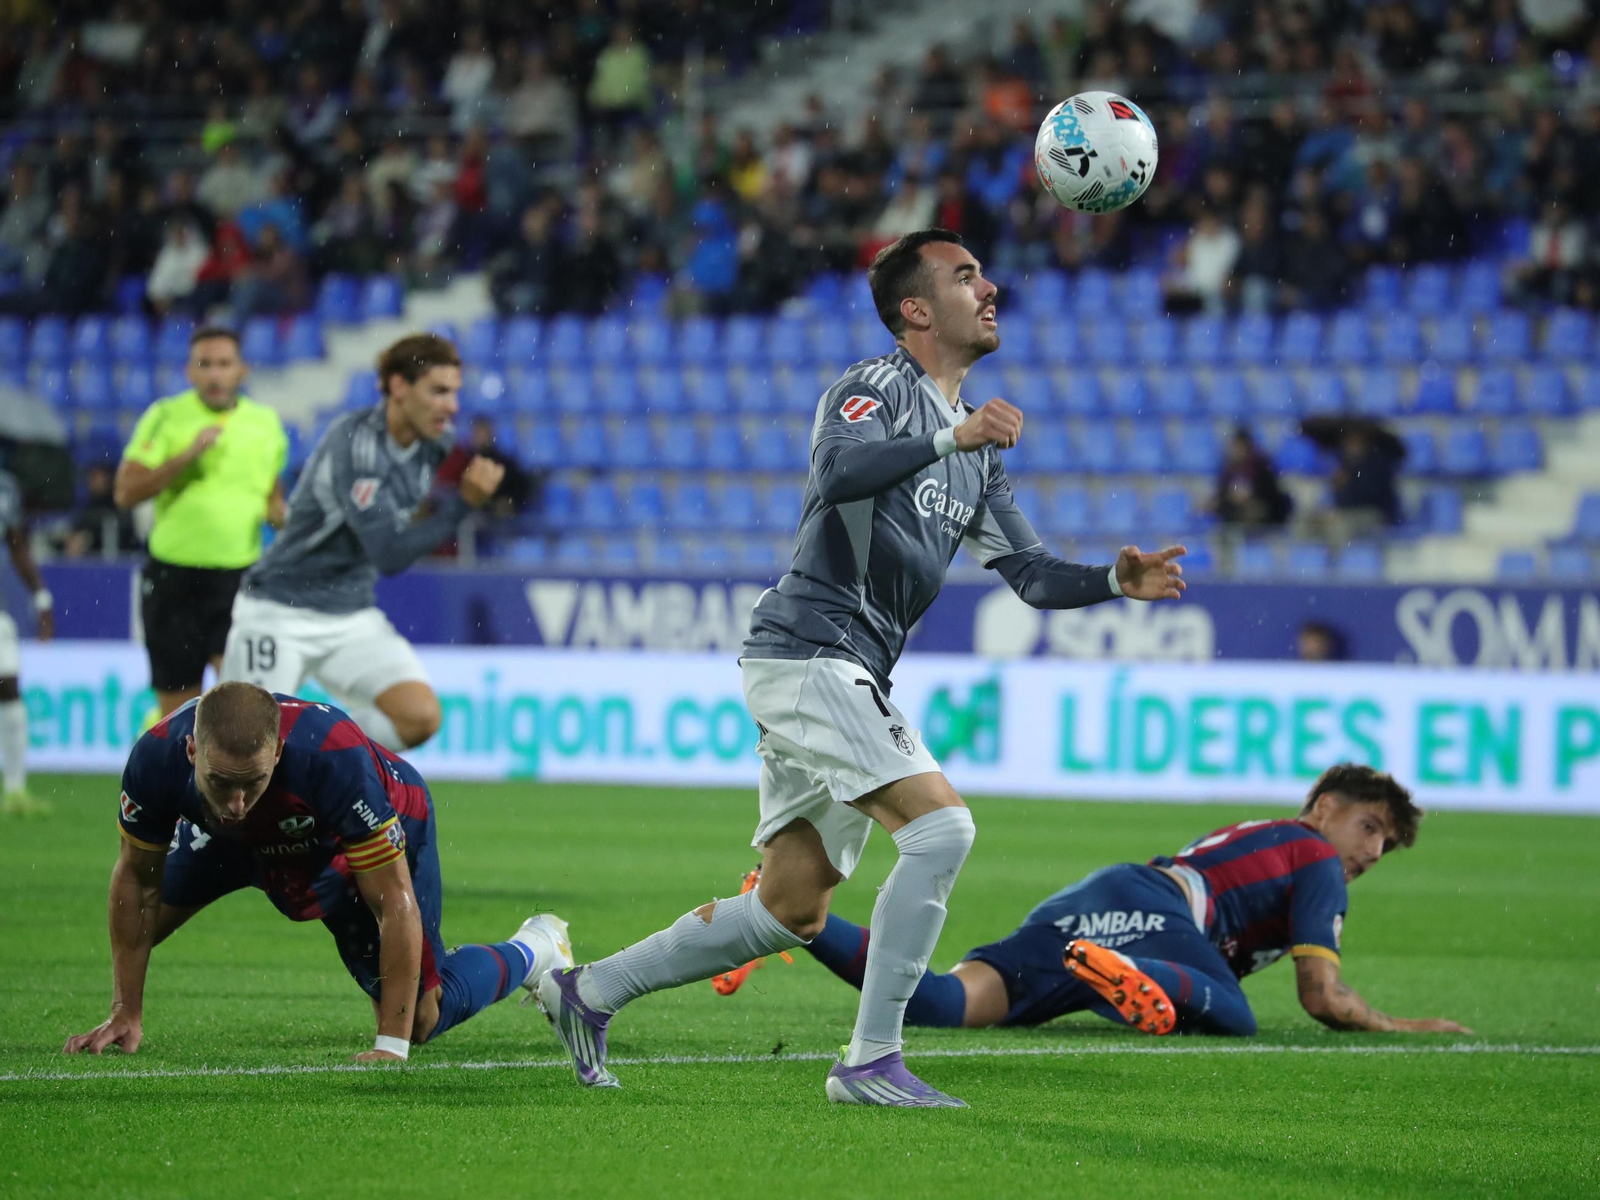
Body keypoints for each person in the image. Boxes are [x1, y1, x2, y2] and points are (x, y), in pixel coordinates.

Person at [538, 228, 1187, 1107]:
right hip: (813, 649)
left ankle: (590, 990)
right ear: (915, 310)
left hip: (840, 668)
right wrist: (952, 438)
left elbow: (1030, 577)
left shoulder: (977, 454)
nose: (990, 288)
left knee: (791, 908)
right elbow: (838, 471)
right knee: (942, 830)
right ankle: (871, 1060)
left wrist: (1115, 579)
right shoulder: (874, 389)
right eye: (967, 278)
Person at [751, 765, 1470, 1039]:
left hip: (1100, 897)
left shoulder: (1272, 838)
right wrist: (1406, 1025)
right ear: (1325, 807)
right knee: (1234, 1015)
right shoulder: (1314, 854)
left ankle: (789, 913)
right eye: (1369, 827)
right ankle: (1140, 976)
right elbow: (1320, 996)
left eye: (1388, 846)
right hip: (1157, 912)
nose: (1373, 852)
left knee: (940, 1003)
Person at [62, 682, 572, 1060]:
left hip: (339, 840)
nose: (236, 802)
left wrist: (390, 1047)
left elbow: (392, 901)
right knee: (140, 924)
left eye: (252, 782)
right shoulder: (155, 758)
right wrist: (125, 1012)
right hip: (230, 843)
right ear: (192, 752)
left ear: (278, 752)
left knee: (419, 1017)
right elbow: (136, 883)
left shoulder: (333, 758)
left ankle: (536, 948)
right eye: (220, 782)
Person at [220, 334, 504, 751]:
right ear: (398, 386)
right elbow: (388, 553)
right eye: (439, 391)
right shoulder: (357, 444)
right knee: (242, 744)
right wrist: (463, 505)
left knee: (419, 717)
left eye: (455, 393)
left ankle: (313, 763)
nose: (452, 406)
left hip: (350, 614)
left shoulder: (435, 445)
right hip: (280, 610)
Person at [115, 327, 288, 718]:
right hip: (172, 579)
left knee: (242, 713)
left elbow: (272, 499)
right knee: (180, 716)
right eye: (204, 365)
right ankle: (162, 748)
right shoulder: (166, 416)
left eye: (223, 364)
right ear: (189, 372)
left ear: (241, 371)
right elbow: (125, 492)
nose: (214, 375)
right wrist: (186, 456)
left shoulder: (265, 424)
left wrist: (280, 516)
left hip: (239, 581)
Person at [0, 468, 55, 816]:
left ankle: (15, 790)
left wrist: (41, 597)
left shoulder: (5, 485)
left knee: (8, 687)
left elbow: (16, 542)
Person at [1212, 426, 1291, 528]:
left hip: (1264, 514)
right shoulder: (1228, 469)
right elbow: (1221, 493)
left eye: (1240, 446)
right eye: (1235, 447)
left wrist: (1250, 495)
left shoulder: (1262, 466)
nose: (1237, 451)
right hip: (1234, 513)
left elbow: (1271, 494)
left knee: (1254, 510)